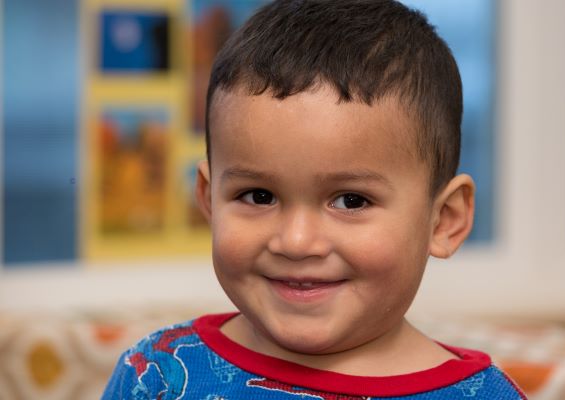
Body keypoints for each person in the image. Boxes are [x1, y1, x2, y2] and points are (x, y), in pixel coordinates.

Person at [102, 0, 527, 398]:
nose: (297, 241)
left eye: (351, 202)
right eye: (259, 195)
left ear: (443, 221)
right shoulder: (155, 372)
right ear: (209, 200)